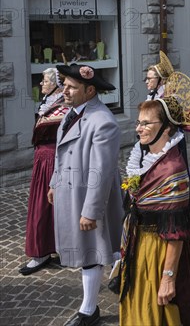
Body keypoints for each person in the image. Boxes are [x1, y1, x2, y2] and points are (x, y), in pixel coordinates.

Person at [118, 95, 190, 325]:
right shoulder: (148, 158)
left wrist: (168, 277)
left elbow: (176, 232)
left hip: (159, 252)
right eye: (139, 122)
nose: (138, 128)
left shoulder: (173, 169)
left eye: (146, 123)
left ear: (167, 128)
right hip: (140, 245)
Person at [49, 63, 123, 325]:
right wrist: (54, 182)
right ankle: (119, 271)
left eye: (71, 87)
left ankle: (88, 310)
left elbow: (101, 172)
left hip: (90, 198)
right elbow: (60, 153)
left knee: (92, 251)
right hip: (71, 192)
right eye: (64, 85)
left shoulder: (103, 122)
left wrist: (91, 211)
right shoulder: (72, 113)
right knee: (90, 251)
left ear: (90, 90)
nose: (64, 90)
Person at [20, 68, 69, 276]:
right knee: (44, 204)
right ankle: (46, 249)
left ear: (56, 84)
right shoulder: (49, 103)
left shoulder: (63, 106)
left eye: (45, 81)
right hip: (43, 159)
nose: (41, 84)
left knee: (47, 204)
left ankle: (46, 251)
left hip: (53, 159)